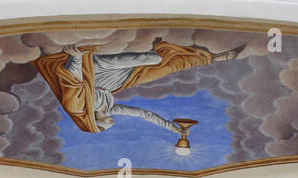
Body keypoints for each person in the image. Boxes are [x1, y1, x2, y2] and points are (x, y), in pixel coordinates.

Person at [34, 36, 244, 135]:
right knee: (163, 68)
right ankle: (212, 59)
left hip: (95, 71)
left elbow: (72, 82)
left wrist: (77, 58)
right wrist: (173, 128)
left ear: (94, 122)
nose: (110, 121)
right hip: (116, 81)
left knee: (153, 59)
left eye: (105, 124)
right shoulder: (110, 109)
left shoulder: (76, 108)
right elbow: (144, 114)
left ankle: (157, 47)